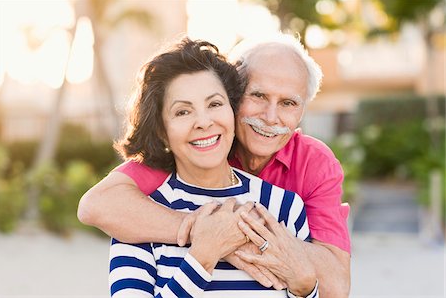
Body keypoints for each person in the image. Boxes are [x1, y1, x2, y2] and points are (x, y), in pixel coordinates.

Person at [78, 33, 350, 297]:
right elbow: (97, 205)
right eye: (258, 96)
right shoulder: (187, 153)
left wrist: (301, 282)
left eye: (288, 103)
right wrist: (205, 238)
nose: (270, 117)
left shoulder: (294, 195)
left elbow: (334, 287)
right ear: (236, 96)